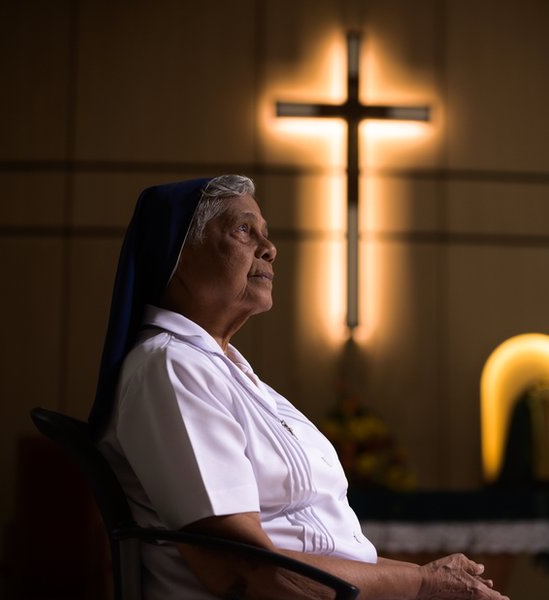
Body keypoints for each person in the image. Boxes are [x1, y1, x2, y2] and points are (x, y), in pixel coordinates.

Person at [90, 175, 507, 600]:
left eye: (265, 235)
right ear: (176, 253)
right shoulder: (171, 368)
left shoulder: (229, 373)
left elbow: (325, 545)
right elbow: (244, 569)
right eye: (243, 230)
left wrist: (425, 578)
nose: (269, 249)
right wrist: (419, 584)